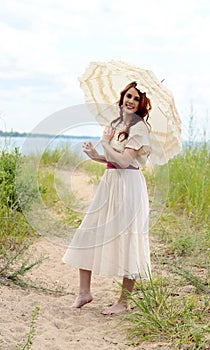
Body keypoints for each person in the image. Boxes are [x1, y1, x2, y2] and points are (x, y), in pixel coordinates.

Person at [62, 81, 152, 315]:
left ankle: (123, 302)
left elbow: (125, 161)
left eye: (136, 98)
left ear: (141, 104)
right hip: (110, 182)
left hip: (129, 185)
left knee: (128, 238)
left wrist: (104, 142)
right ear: (122, 98)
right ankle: (84, 292)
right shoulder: (116, 124)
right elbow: (113, 159)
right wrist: (96, 156)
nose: (130, 101)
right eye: (128, 96)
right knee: (89, 230)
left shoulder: (140, 129)